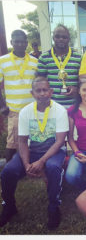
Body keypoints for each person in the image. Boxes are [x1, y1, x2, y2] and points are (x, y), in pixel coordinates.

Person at [0, 76, 69, 230]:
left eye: (45, 90)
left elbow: (59, 142)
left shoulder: (60, 110)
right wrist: (26, 164)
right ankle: (9, 206)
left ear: (51, 92)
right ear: (32, 93)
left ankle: (53, 208)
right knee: (7, 172)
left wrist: (41, 161)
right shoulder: (25, 112)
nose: (42, 93)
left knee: (53, 168)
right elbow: (22, 141)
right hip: (32, 151)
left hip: (53, 151)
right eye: (38, 91)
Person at [0, 30, 38, 162]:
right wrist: (2, 105)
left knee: (33, 139)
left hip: (33, 109)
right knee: (12, 142)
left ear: (26, 43)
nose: (20, 44)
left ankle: (29, 166)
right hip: (14, 110)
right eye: (17, 41)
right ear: (12, 42)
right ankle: (8, 171)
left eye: (23, 41)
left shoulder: (34, 61)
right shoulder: (2, 61)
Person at [37, 25, 82, 108]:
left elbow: (82, 80)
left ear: (69, 39)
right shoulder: (44, 57)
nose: (61, 39)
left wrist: (78, 90)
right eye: (57, 36)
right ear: (53, 38)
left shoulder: (79, 57)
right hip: (52, 106)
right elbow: (40, 83)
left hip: (74, 107)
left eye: (64, 37)